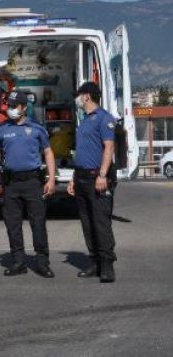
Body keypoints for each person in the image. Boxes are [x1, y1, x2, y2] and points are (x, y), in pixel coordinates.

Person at [0, 91, 56, 278]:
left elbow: (48, 153)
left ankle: (43, 262)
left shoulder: (37, 128)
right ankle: (18, 262)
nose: (10, 110)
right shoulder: (0, 129)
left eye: (13, 106)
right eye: (8, 106)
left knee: (38, 223)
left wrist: (51, 179)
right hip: (10, 183)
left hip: (33, 182)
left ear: (24, 107)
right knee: (13, 224)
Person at [67, 82, 118, 283]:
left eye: (78, 94)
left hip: (97, 177)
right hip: (81, 177)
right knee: (87, 222)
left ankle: (107, 265)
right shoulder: (85, 120)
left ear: (86, 96)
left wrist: (102, 175)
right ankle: (94, 261)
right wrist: (73, 178)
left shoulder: (104, 118)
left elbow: (109, 147)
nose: (77, 98)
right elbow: (83, 152)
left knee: (100, 222)